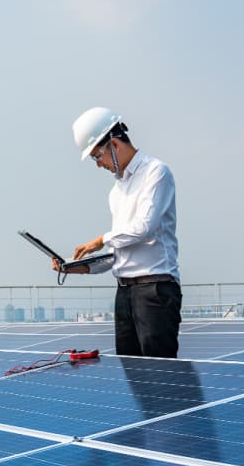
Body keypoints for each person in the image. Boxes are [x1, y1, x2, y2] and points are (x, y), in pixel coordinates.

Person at [54, 107, 182, 358]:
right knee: (134, 376)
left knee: (161, 378)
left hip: (155, 291)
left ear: (114, 143)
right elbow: (119, 250)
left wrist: (100, 240)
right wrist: (78, 267)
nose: (98, 164)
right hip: (124, 294)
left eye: (96, 156)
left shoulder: (156, 172)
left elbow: (144, 228)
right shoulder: (116, 191)